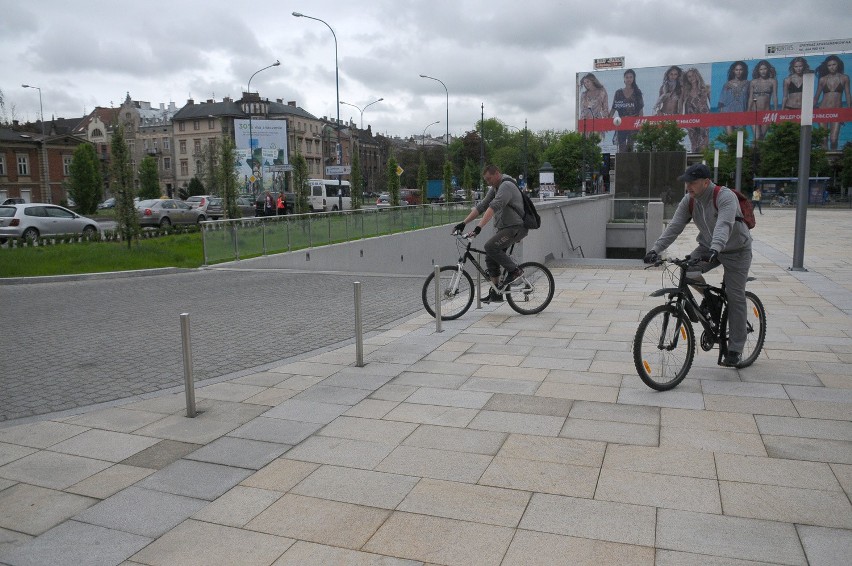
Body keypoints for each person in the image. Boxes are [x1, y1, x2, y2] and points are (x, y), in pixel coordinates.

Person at [643, 164, 753, 367]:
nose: (688, 187)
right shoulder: (689, 200)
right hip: (707, 247)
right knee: (689, 270)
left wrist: (716, 248)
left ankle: (736, 348)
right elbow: (675, 226)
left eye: (692, 183)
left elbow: (724, 224)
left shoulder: (724, 196)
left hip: (736, 250)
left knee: (735, 296)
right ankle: (712, 301)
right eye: (686, 182)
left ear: (706, 182)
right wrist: (655, 249)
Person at [453, 165, 528, 304]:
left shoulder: (506, 186)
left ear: (497, 174)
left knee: (490, 246)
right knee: (490, 257)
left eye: (489, 178)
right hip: (505, 228)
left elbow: (493, 207)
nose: (488, 182)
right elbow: (482, 206)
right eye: (486, 180)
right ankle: (496, 293)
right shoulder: (496, 188)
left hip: (515, 228)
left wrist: (478, 228)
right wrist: (463, 223)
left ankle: (515, 271)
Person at [814, 54, 851, 150]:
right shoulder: (823, 79)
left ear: (838, 65)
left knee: (834, 139)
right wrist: (811, 111)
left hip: (837, 111)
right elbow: (816, 97)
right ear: (827, 67)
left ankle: (833, 162)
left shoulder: (844, 78)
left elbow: (847, 94)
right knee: (823, 139)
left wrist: (848, 110)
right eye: (829, 65)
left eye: (834, 64)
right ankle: (823, 162)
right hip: (822, 110)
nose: (832, 67)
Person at [609, 68, 644, 152]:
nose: (629, 79)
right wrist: (608, 121)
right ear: (624, 79)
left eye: (631, 77)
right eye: (627, 77)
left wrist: (641, 125)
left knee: (630, 146)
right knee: (621, 147)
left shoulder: (637, 92)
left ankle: (630, 164)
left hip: (633, 122)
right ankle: (621, 164)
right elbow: (613, 108)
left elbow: (641, 110)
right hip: (621, 123)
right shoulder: (618, 92)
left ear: (633, 78)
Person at [681, 67, 711, 152]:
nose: (691, 78)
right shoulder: (686, 91)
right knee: (694, 146)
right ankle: (697, 164)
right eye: (689, 77)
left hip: (704, 120)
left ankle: (705, 163)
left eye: (693, 75)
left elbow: (713, 103)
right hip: (691, 121)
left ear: (697, 76)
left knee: (704, 145)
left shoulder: (706, 88)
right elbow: (681, 106)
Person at [748, 60, 779, 141]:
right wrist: (747, 112)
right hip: (754, 112)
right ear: (758, 70)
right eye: (761, 69)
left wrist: (776, 111)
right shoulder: (753, 82)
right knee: (757, 136)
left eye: (765, 69)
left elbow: (775, 97)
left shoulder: (773, 81)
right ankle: (751, 153)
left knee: (762, 137)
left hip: (767, 113)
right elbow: (750, 98)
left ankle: (758, 153)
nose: (763, 71)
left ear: (768, 69)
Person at [718, 61, 750, 135]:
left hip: (742, 114)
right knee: (730, 140)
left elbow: (750, 99)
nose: (738, 72)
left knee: (740, 139)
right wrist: (720, 117)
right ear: (733, 71)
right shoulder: (727, 85)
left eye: (740, 70)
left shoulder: (747, 84)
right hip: (728, 113)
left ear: (743, 71)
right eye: (736, 70)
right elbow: (721, 102)